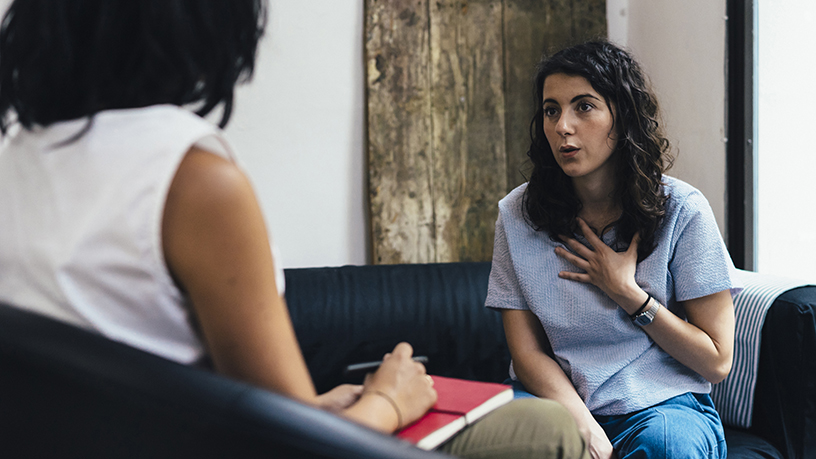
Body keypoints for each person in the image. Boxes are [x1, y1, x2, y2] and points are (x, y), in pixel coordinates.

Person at [0, 1, 589, 457]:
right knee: (544, 428)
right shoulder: (192, 180)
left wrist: (315, 406)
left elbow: (206, 386)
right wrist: (389, 401)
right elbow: (285, 444)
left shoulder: (17, 155)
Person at [485, 40, 740, 459]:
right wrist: (581, 424)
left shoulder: (683, 209)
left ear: (622, 117)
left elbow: (716, 361)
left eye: (583, 107)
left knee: (667, 446)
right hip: (555, 401)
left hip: (661, 405)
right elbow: (527, 353)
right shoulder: (517, 214)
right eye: (551, 110)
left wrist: (627, 293)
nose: (563, 126)